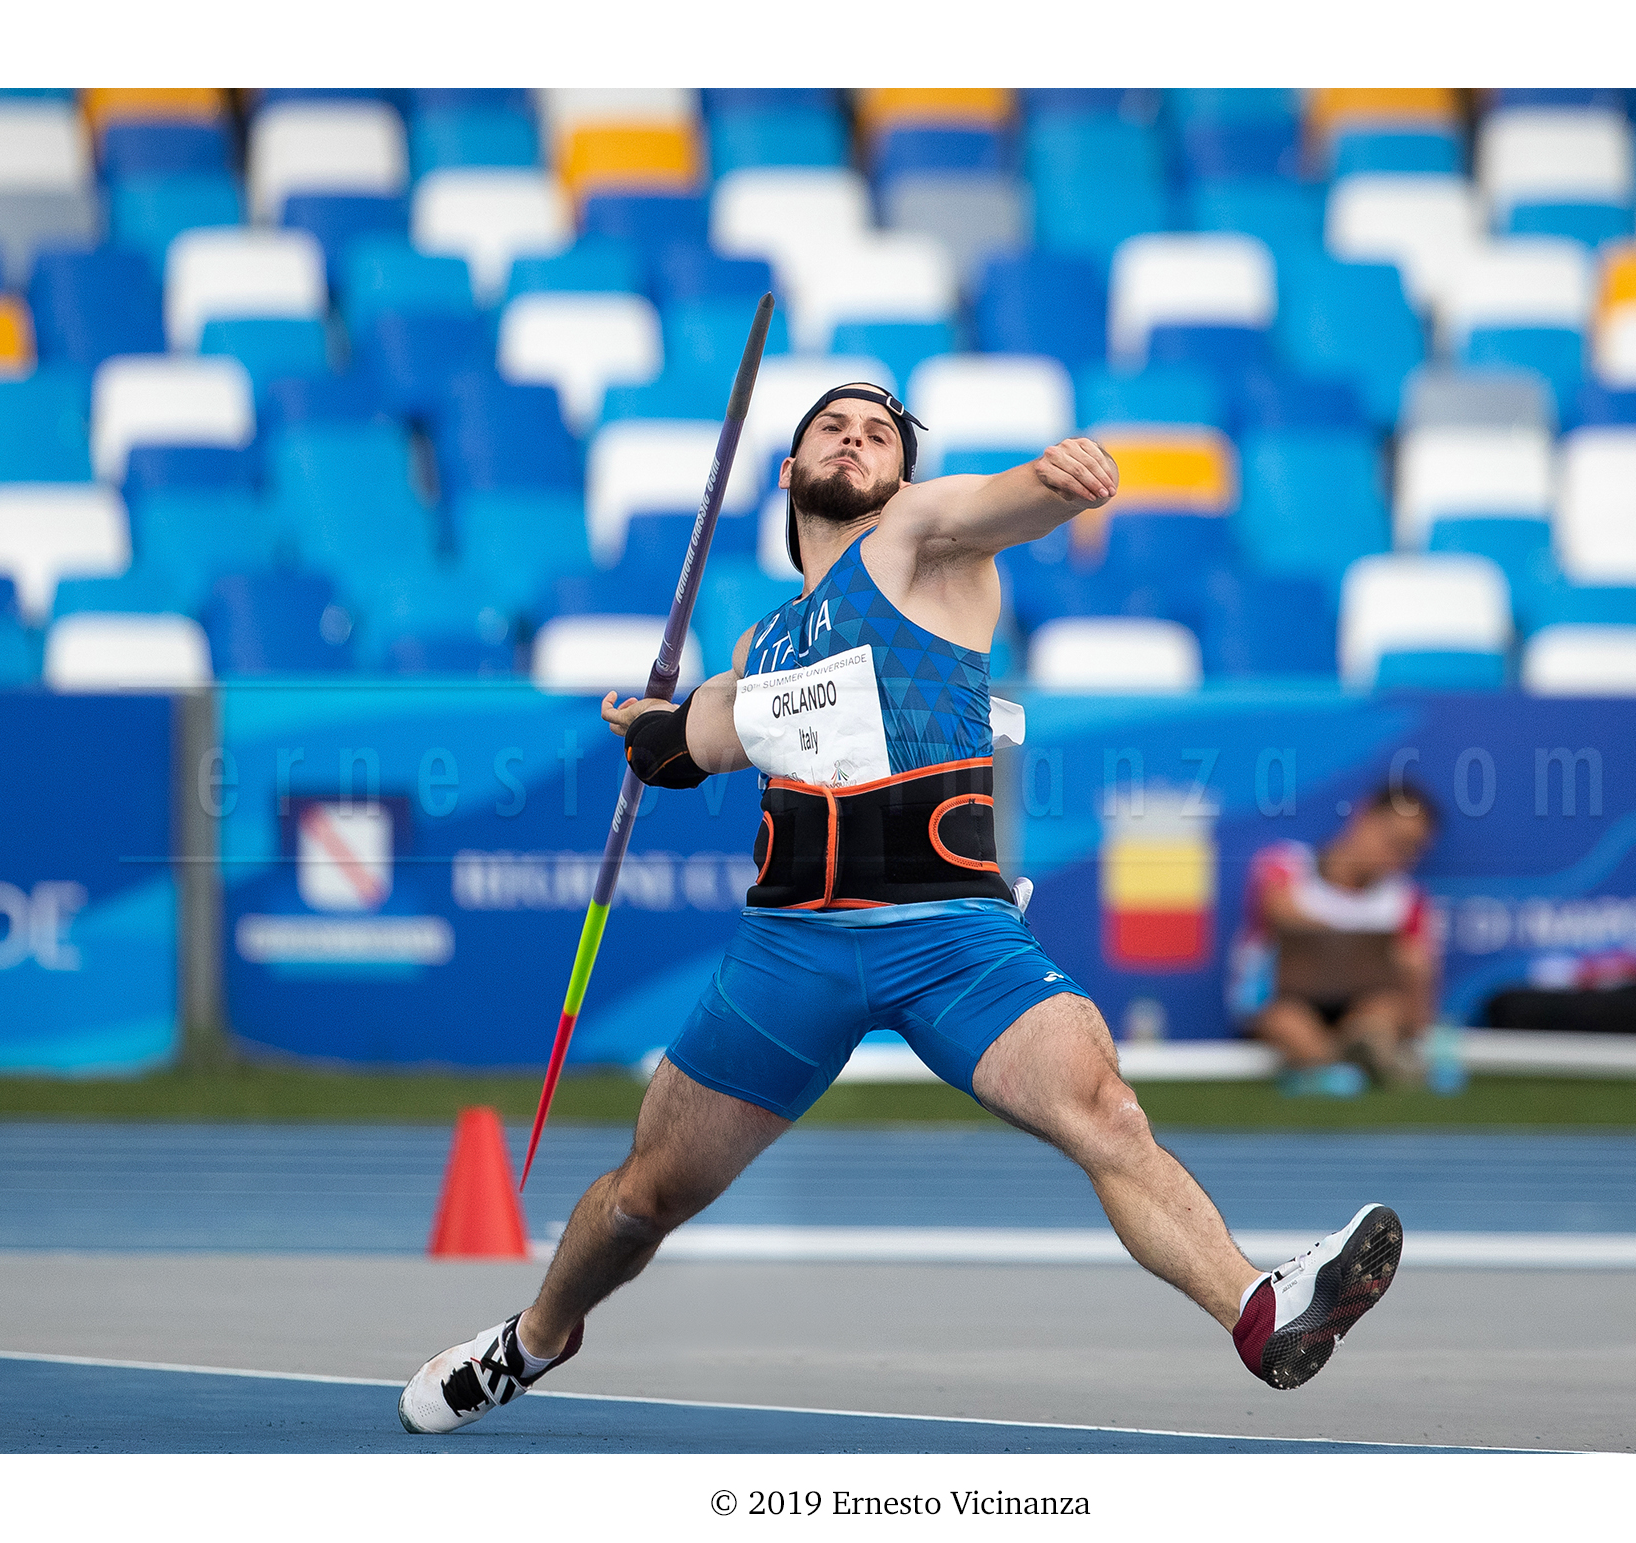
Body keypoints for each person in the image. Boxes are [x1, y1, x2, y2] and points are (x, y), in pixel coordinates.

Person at [398, 383, 1403, 1434]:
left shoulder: (923, 542)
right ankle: (532, 1339)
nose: (855, 439)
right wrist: (655, 733)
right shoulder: (761, 645)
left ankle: (1256, 1309)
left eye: (878, 434)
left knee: (1101, 1108)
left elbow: (999, 503)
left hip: (950, 932)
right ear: (788, 471)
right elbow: (700, 739)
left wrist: (1053, 483)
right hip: (790, 949)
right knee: (645, 1196)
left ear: (899, 479)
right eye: (831, 428)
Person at [1227, 786, 1441, 1095]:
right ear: (1364, 817)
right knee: (1289, 1023)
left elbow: (1417, 989)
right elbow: (1280, 911)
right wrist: (1372, 947)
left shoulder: (1407, 900)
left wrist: (1414, 973)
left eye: (1409, 850)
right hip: (1284, 1002)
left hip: (1360, 1006)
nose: (1395, 856)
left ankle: (1359, 1051)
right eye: (1391, 840)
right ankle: (1339, 1061)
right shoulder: (1286, 865)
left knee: (1384, 1011)